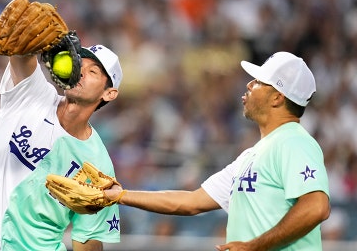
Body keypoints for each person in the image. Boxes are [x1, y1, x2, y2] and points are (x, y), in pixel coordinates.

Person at [102, 51, 330, 250]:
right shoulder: (252, 155)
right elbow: (191, 202)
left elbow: (317, 206)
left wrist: (254, 246)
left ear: (277, 97)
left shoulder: (294, 141)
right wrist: (121, 195)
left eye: (259, 81)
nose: (249, 85)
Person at [0, 44, 123, 250]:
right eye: (78, 64)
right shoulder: (32, 96)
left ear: (109, 93)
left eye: (93, 71)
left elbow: (89, 238)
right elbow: (20, 53)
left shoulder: (98, 164)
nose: (81, 72)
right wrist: (43, 41)